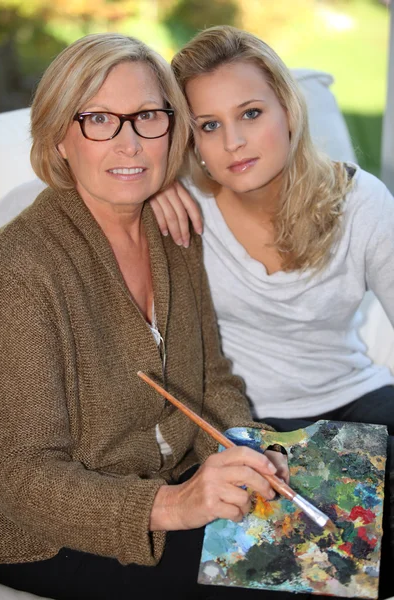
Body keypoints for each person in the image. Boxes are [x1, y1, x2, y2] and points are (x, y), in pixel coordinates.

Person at [0, 33, 291, 600]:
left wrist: (246, 451)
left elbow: (211, 380)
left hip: (171, 485)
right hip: (51, 535)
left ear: (172, 128)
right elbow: (20, 478)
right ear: (61, 136)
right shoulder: (18, 270)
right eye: (99, 119)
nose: (129, 144)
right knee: (282, 580)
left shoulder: (172, 232)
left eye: (147, 117)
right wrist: (175, 504)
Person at [149, 25, 394, 594]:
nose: (233, 142)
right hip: (241, 425)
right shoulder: (180, 209)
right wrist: (152, 185)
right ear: (191, 139)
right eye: (209, 126)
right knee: (304, 554)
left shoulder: (361, 203)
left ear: (287, 108)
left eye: (251, 113)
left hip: (353, 399)